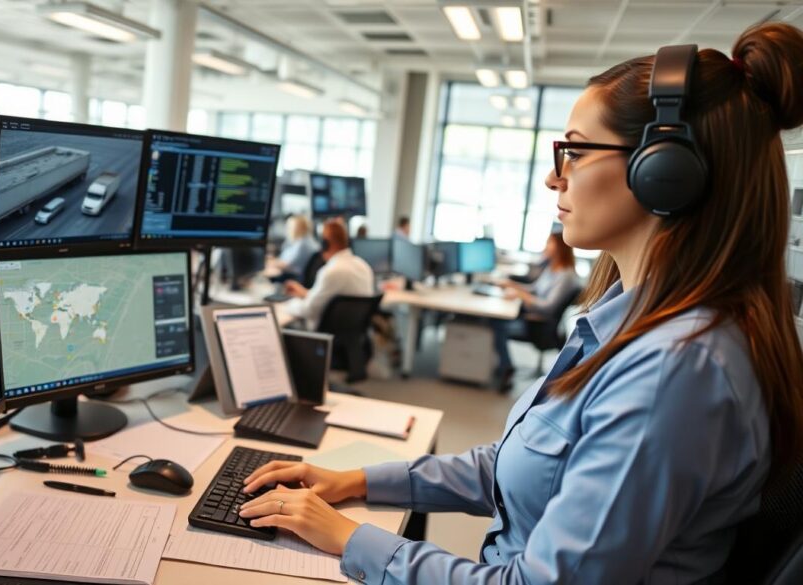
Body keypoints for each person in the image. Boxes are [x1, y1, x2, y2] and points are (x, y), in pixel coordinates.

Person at [235, 22, 803, 583]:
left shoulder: (673, 370)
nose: (555, 179)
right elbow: (518, 469)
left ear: (662, 174)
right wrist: (355, 480)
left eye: (576, 152)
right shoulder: (624, 323)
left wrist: (348, 537)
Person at [491, 232, 581, 386]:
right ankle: (500, 365)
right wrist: (513, 285)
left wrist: (520, 295)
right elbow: (534, 288)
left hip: (540, 326)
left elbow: (548, 307)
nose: (545, 247)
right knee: (496, 319)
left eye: (549, 243)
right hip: (533, 318)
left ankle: (506, 367)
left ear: (560, 248)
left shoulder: (566, 276)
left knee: (497, 325)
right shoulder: (552, 267)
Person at [284, 219, 374, 329]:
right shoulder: (364, 266)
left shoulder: (330, 271)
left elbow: (309, 310)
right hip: (352, 339)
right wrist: (304, 293)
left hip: (321, 339)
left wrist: (288, 305)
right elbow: (329, 297)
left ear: (325, 244)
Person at [273, 215, 319, 279]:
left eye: (289, 227)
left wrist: (270, 262)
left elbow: (287, 265)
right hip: (295, 275)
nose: (287, 230)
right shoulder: (305, 240)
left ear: (296, 228)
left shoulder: (302, 244)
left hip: (295, 278)